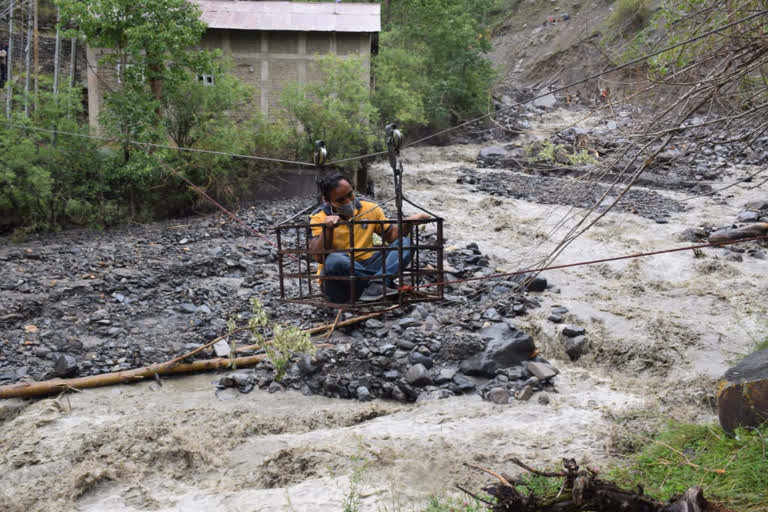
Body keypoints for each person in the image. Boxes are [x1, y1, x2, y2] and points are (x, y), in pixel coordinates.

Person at [309, 173, 429, 303]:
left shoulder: (369, 209)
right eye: (341, 200)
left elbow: (391, 237)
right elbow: (319, 257)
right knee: (335, 259)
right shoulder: (319, 217)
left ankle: (376, 285)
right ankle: (377, 285)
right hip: (340, 281)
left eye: (350, 194)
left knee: (405, 243)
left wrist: (410, 221)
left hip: (369, 267)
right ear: (327, 201)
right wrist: (328, 228)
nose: (348, 202)